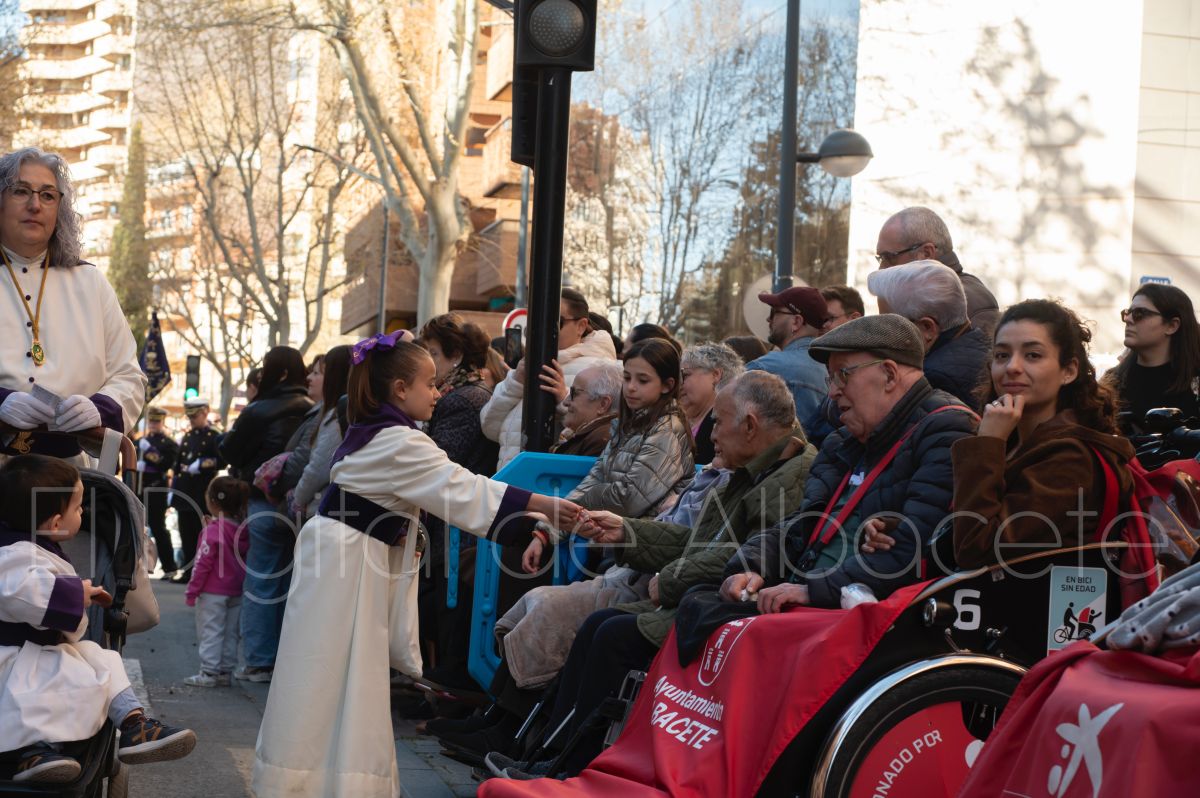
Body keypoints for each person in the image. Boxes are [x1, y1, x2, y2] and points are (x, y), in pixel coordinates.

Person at [251, 333, 585, 798]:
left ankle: (306, 779)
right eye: (429, 384)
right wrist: (545, 507)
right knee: (337, 673)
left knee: (322, 670)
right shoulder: (399, 441)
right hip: (349, 564)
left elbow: (456, 490)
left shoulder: (374, 430)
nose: (437, 393)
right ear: (400, 389)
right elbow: (462, 488)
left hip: (341, 557)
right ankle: (329, 784)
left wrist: (530, 520)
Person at [484, 372, 817, 779]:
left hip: (722, 611)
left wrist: (673, 576)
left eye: (719, 422)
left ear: (750, 425)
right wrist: (627, 532)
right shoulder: (754, 468)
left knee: (612, 635)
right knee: (598, 626)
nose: (711, 433)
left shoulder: (787, 477)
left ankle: (570, 767)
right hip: (695, 596)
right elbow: (697, 540)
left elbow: (747, 557)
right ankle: (548, 754)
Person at [721, 314, 978, 611]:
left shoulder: (947, 431)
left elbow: (912, 550)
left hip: (854, 614)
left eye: (843, 374)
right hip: (810, 596)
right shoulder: (843, 441)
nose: (832, 392)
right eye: (831, 378)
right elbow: (801, 525)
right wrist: (750, 568)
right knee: (699, 605)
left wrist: (813, 591)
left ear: (890, 375)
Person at [0, 455, 195, 783]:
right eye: (78, 509)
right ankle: (31, 752)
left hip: (36, 649)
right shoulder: (13, 553)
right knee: (41, 686)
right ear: (56, 523)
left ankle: (133, 723)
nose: (83, 514)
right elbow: (22, 592)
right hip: (15, 657)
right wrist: (76, 594)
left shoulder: (34, 547)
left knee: (100, 657)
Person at [940, 300, 1133, 568]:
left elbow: (976, 549)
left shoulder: (1071, 459)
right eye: (1001, 355)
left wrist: (988, 443)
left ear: (1069, 371)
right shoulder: (1012, 438)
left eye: (1032, 355)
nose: (1012, 367)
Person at [0, 147, 146, 460]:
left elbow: (129, 376)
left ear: (60, 209)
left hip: (76, 473)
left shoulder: (91, 282)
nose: (35, 204)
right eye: (21, 191)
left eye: (48, 195)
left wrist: (100, 409)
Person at [219, 346, 313, 683]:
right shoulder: (314, 409)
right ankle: (285, 658)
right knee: (292, 581)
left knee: (261, 579)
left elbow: (228, 450)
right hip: (300, 502)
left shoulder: (259, 410)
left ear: (279, 373)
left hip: (262, 500)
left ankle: (259, 661)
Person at [481, 288, 617, 468]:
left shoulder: (598, 369)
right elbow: (489, 427)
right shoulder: (528, 364)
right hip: (511, 476)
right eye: (534, 321)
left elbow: (603, 430)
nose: (542, 328)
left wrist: (564, 399)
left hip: (549, 478)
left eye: (555, 321)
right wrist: (515, 382)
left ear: (581, 326)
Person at [867, 259, 990, 409]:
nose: (883, 333)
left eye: (888, 323)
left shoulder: (932, 377)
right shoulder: (982, 344)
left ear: (927, 328)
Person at [874, 206, 999, 335]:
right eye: (880, 258)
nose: (881, 268)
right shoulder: (939, 296)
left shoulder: (959, 301)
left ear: (926, 254)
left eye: (889, 257)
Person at [184, 476, 251, 688]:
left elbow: (202, 563)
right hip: (235, 589)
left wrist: (192, 590)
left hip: (212, 590)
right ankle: (225, 671)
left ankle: (209, 672)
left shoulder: (212, 531)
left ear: (212, 501)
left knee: (211, 630)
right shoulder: (241, 530)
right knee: (231, 632)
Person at [1105, 283, 1200, 433]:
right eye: (1128, 312)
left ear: (1172, 326)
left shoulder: (1194, 384)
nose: (1128, 319)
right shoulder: (1111, 382)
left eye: (1139, 313)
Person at [745, 285, 830, 426]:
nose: (768, 319)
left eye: (774, 312)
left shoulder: (765, 368)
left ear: (796, 322)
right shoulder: (827, 369)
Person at [290, 345, 353, 521]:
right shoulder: (333, 413)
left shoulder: (337, 417)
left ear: (334, 376)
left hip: (325, 512)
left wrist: (297, 499)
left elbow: (317, 468)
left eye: (317, 373)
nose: (309, 377)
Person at [169, 397, 223, 583]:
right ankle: (188, 570)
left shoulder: (214, 435)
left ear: (205, 412)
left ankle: (201, 571)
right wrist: (173, 490)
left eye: (195, 416)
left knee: (201, 533)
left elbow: (221, 461)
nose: (191, 420)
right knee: (185, 533)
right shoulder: (188, 436)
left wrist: (202, 464)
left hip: (201, 492)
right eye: (190, 416)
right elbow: (178, 466)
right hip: (185, 491)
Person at [679, 342, 744, 465]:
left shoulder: (727, 423)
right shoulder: (679, 420)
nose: (678, 384)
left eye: (685, 375)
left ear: (715, 375)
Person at [136, 406, 179, 576]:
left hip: (156, 490)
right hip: (139, 489)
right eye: (151, 421)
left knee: (158, 528)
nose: (153, 424)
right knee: (137, 528)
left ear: (162, 422)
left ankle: (169, 567)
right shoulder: (140, 441)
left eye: (156, 421)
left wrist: (149, 452)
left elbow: (166, 464)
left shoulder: (169, 444)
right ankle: (138, 566)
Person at [548, 361, 621, 457]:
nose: (565, 402)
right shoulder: (593, 437)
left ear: (603, 404)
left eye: (574, 393)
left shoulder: (600, 440)